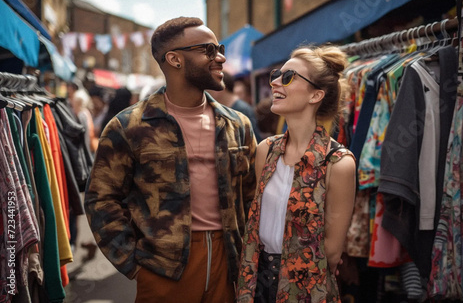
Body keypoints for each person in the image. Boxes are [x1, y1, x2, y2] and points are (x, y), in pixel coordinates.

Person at [84, 16, 257, 303]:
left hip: (229, 267)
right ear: (175, 59)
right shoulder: (128, 126)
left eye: (220, 48)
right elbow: (101, 200)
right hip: (163, 271)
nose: (221, 58)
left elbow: (252, 197)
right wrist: (135, 265)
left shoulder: (238, 124)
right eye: (209, 50)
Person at [237, 45, 356, 303]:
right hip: (257, 278)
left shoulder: (338, 162)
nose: (275, 83)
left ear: (316, 95)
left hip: (306, 285)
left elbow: (333, 252)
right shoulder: (265, 151)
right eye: (277, 75)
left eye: (288, 77)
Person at [208, 73, 263, 142]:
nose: (207, 92)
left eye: (210, 87)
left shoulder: (242, 109)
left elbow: (253, 141)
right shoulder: (221, 109)